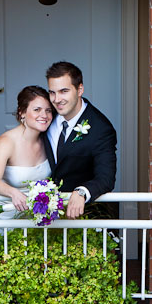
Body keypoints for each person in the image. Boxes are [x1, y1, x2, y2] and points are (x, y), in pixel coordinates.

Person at [0, 86, 53, 259]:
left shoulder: (48, 140)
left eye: (48, 110)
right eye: (37, 109)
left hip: (31, 218)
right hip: (1, 216)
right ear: (22, 112)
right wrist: (13, 192)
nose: (44, 115)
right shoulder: (7, 141)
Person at [42, 61, 117, 219]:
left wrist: (82, 191)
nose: (57, 99)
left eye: (64, 91)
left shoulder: (101, 128)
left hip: (83, 216)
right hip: (46, 214)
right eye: (52, 93)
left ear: (80, 89)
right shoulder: (46, 117)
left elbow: (106, 178)